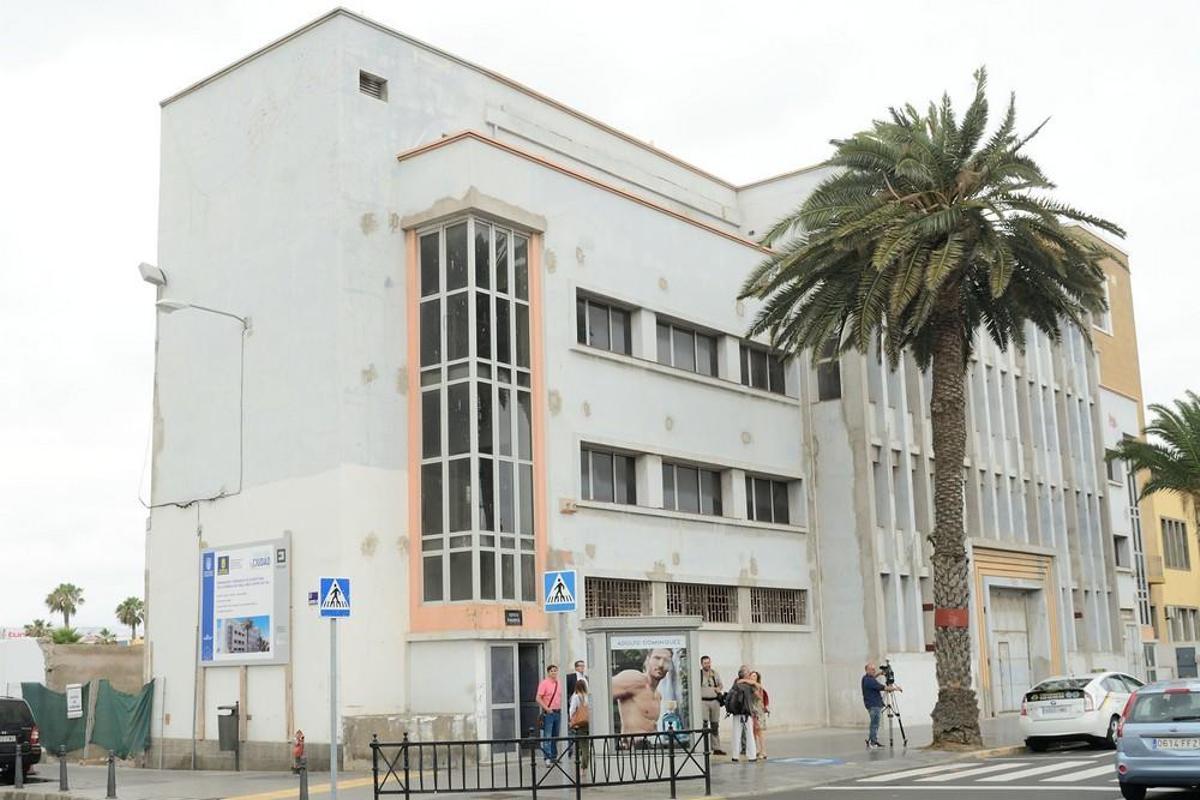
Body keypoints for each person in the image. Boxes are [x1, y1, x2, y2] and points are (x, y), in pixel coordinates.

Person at [611, 648, 672, 735]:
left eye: (666, 661)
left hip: (651, 742)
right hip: (632, 742)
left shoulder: (658, 695)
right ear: (647, 661)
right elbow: (601, 692)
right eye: (657, 658)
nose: (661, 664)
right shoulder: (634, 679)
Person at [861, 662, 902, 748]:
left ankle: (872, 740)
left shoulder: (866, 678)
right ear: (867, 670)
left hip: (873, 704)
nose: (874, 671)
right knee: (875, 724)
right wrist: (896, 688)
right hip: (874, 705)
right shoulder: (869, 681)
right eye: (872, 669)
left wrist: (879, 673)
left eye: (874, 669)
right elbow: (883, 687)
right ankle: (873, 742)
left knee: (874, 724)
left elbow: (874, 677)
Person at [727, 665, 757, 763]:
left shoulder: (735, 684)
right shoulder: (749, 686)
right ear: (745, 675)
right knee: (749, 735)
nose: (749, 674)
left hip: (736, 712)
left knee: (736, 734)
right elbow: (757, 689)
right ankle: (752, 756)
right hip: (746, 713)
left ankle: (735, 756)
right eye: (748, 673)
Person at [699, 656, 726, 754]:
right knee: (704, 724)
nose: (707, 665)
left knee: (715, 724)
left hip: (715, 701)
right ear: (702, 664)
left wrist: (718, 689)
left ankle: (716, 747)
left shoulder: (715, 673)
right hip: (703, 702)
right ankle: (704, 747)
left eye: (708, 662)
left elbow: (721, 685)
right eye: (705, 663)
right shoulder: (699, 674)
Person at [537, 664, 563, 763]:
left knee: (555, 735)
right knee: (547, 735)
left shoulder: (559, 683)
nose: (554, 672)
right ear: (548, 672)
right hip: (549, 713)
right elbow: (538, 698)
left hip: (558, 711)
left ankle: (554, 756)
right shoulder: (544, 683)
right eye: (552, 671)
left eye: (555, 670)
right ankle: (547, 757)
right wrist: (546, 708)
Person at [568, 678, 591, 770]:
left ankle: (583, 767)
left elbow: (572, 710)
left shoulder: (576, 697)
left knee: (582, 745)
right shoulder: (588, 696)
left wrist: (571, 720)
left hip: (579, 723)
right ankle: (584, 765)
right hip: (587, 722)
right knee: (586, 745)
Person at [749, 671, 769, 760]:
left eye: (754, 676)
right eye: (751, 676)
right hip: (752, 711)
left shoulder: (758, 686)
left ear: (757, 678)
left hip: (758, 711)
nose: (752, 677)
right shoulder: (750, 686)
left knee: (760, 732)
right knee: (753, 732)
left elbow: (759, 697)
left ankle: (763, 751)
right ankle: (756, 750)